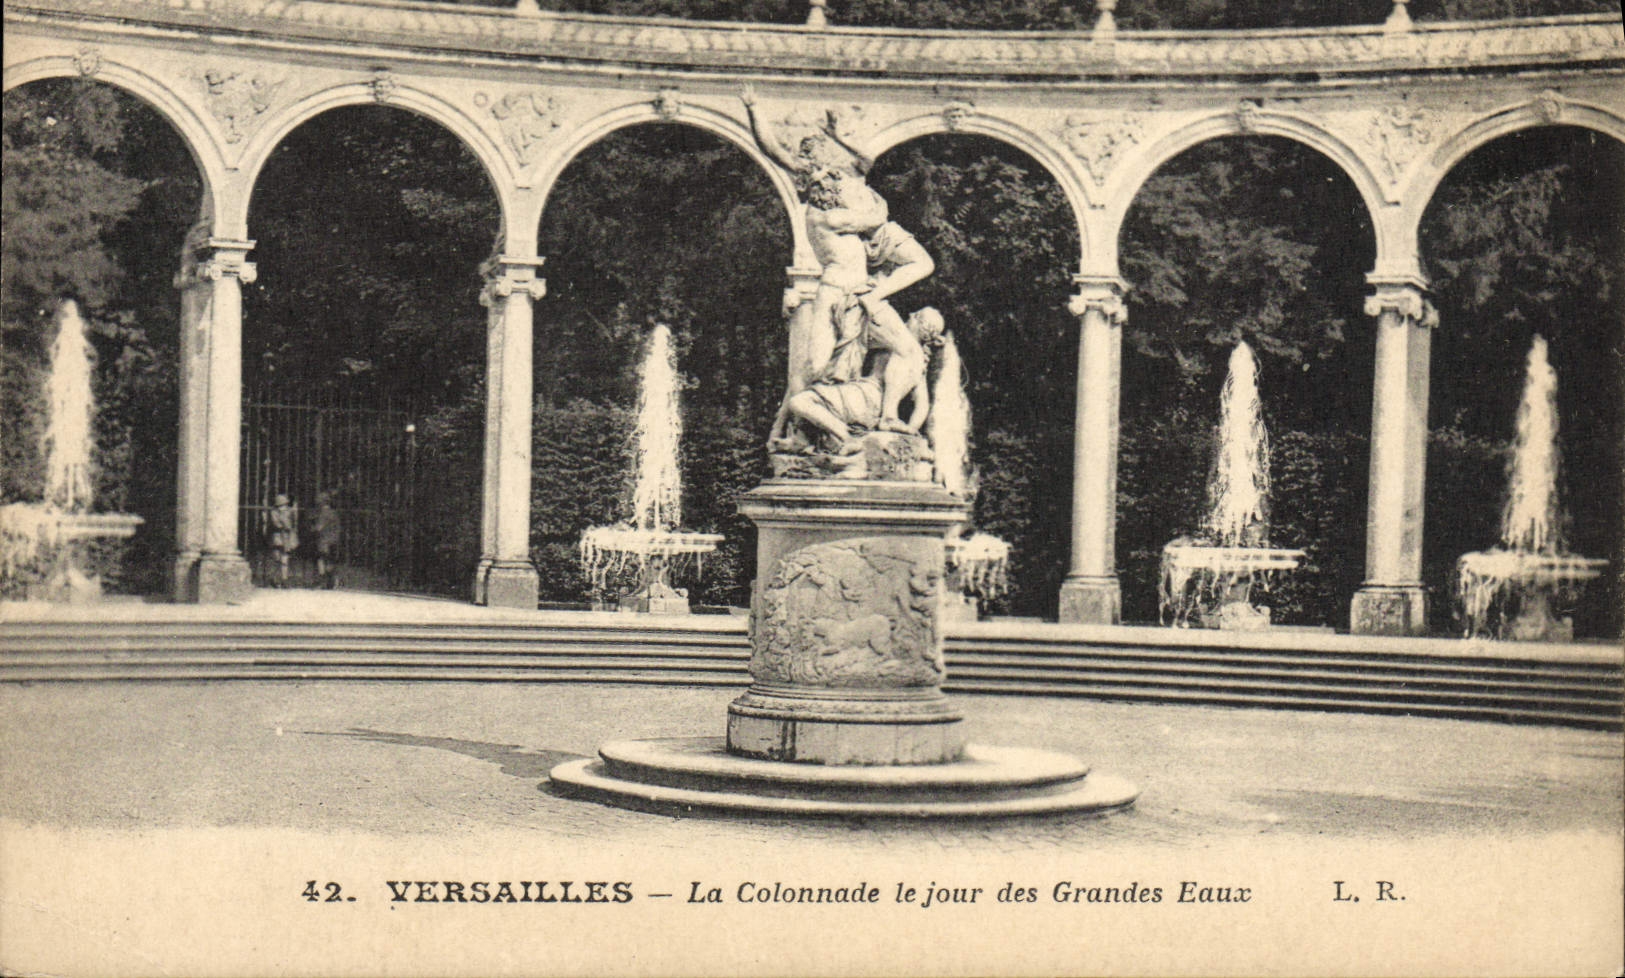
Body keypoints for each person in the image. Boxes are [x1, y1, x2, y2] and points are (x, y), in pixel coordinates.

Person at [769, 307, 945, 455]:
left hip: (864, 397)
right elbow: (922, 405)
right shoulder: (917, 360)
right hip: (865, 400)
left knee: (800, 401)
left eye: (916, 315)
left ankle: (846, 438)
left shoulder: (901, 346)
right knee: (805, 397)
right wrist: (911, 431)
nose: (910, 315)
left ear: (920, 324)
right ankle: (805, 437)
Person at [310, 492, 341, 590]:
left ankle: (322, 581)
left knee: (321, 560)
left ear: (321, 503)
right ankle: (333, 581)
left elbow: (319, 528)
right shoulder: (333, 512)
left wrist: (312, 528)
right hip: (334, 539)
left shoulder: (323, 513)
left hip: (324, 540)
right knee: (330, 560)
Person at [267, 494, 298, 588]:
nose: (284, 507)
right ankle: (275, 578)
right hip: (278, 536)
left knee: (284, 558)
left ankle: (284, 579)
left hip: (286, 537)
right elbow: (276, 524)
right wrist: (285, 524)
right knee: (277, 558)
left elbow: (293, 522)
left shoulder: (289, 511)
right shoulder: (274, 512)